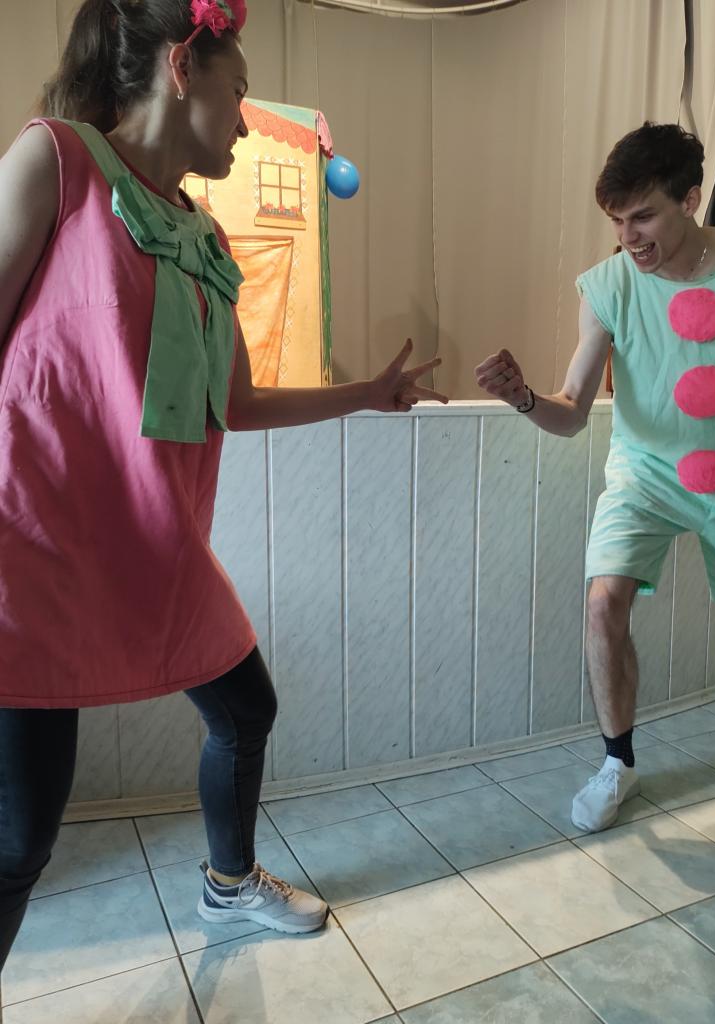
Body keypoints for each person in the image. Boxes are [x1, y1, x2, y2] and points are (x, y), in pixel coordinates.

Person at [0, 0, 447, 970]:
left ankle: (229, 884)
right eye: (237, 92)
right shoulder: (55, 163)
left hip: (155, 548)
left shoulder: (204, 235)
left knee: (244, 709)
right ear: (180, 69)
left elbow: (232, 402)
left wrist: (367, 394)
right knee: (18, 839)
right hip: (29, 554)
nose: (245, 122)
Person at [475, 122, 715, 833]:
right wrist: (521, 397)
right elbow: (572, 411)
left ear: (690, 200)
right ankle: (617, 765)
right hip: (647, 477)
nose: (628, 236)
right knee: (603, 601)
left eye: (643, 216)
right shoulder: (607, 287)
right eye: (615, 220)